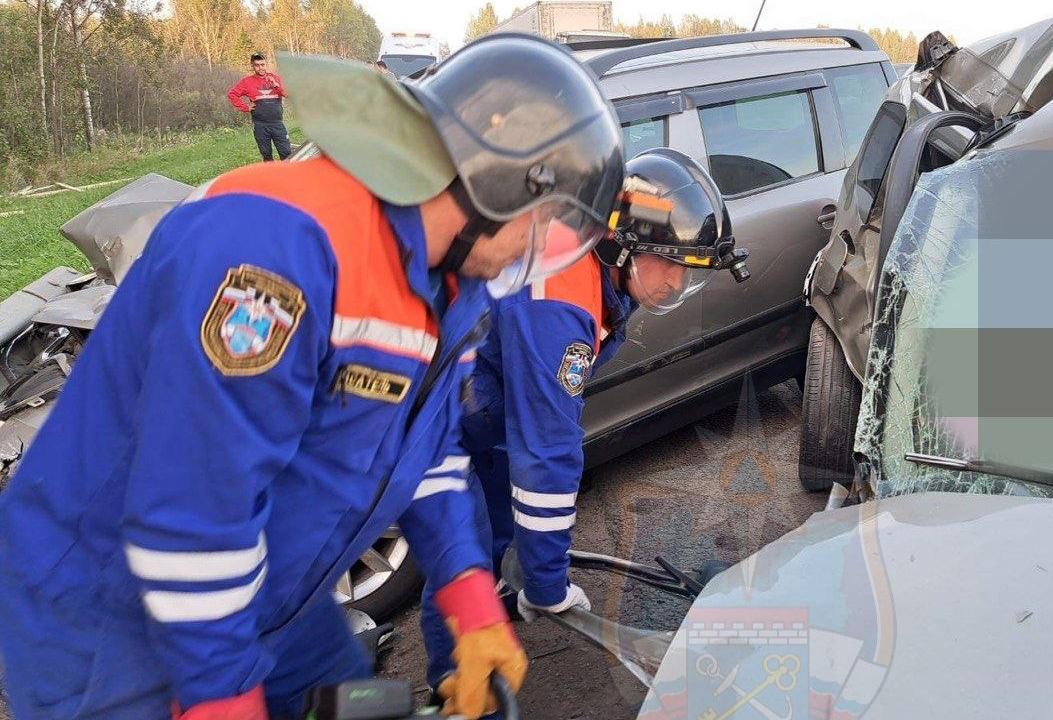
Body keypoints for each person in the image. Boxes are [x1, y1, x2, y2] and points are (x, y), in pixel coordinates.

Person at [0, 34, 626, 720]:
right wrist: (222, 697)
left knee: (347, 690)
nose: (542, 256)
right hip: (109, 616)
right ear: (506, 183)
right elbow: (193, 508)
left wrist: (468, 588)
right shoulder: (275, 252)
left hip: (275, 594)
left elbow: (430, 450)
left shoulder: (454, 285)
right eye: (552, 228)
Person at [420, 147, 747, 689]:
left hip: (485, 418)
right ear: (625, 245)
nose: (675, 287)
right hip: (441, 426)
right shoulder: (558, 302)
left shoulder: (600, 271)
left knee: (501, 542)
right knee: (464, 559)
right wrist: (549, 587)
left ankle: (494, 622)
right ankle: (457, 684)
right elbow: (548, 450)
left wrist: (530, 556)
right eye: (673, 267)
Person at [227, 53, 292, 162]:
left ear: (266, 64)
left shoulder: (276, 78)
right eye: (257, 65)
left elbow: (288, 95)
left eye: (262, 64)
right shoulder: (247, 82)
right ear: (252, 66)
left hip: (277, 124)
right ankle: (271, 177)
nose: (260, 67)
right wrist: (245, 107)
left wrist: (276, 85)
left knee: (286, 154)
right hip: (260, 126)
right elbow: (232, 94)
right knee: (266, 155)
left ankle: (288, 177)